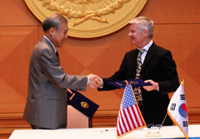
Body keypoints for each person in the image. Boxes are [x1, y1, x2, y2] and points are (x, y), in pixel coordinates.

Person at [97, 16, 179, 126]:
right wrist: (101, 82)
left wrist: (157, 86)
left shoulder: (162, 54)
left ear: (145, 32)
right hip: (133, 114)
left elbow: (174, 83)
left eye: (132, 31)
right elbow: (119, 78)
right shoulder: (129, 56)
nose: (129, 35)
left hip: (157, 116)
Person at [23, 14, 100, 129]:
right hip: (46, 114)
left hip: (47, 113)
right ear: (52, 31)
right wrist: (88, 79)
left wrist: (62, 86)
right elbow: (61, 79)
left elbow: (52, 78)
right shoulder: (45, 50)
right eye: (64, 32)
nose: (66, 36)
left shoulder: (46, 47)